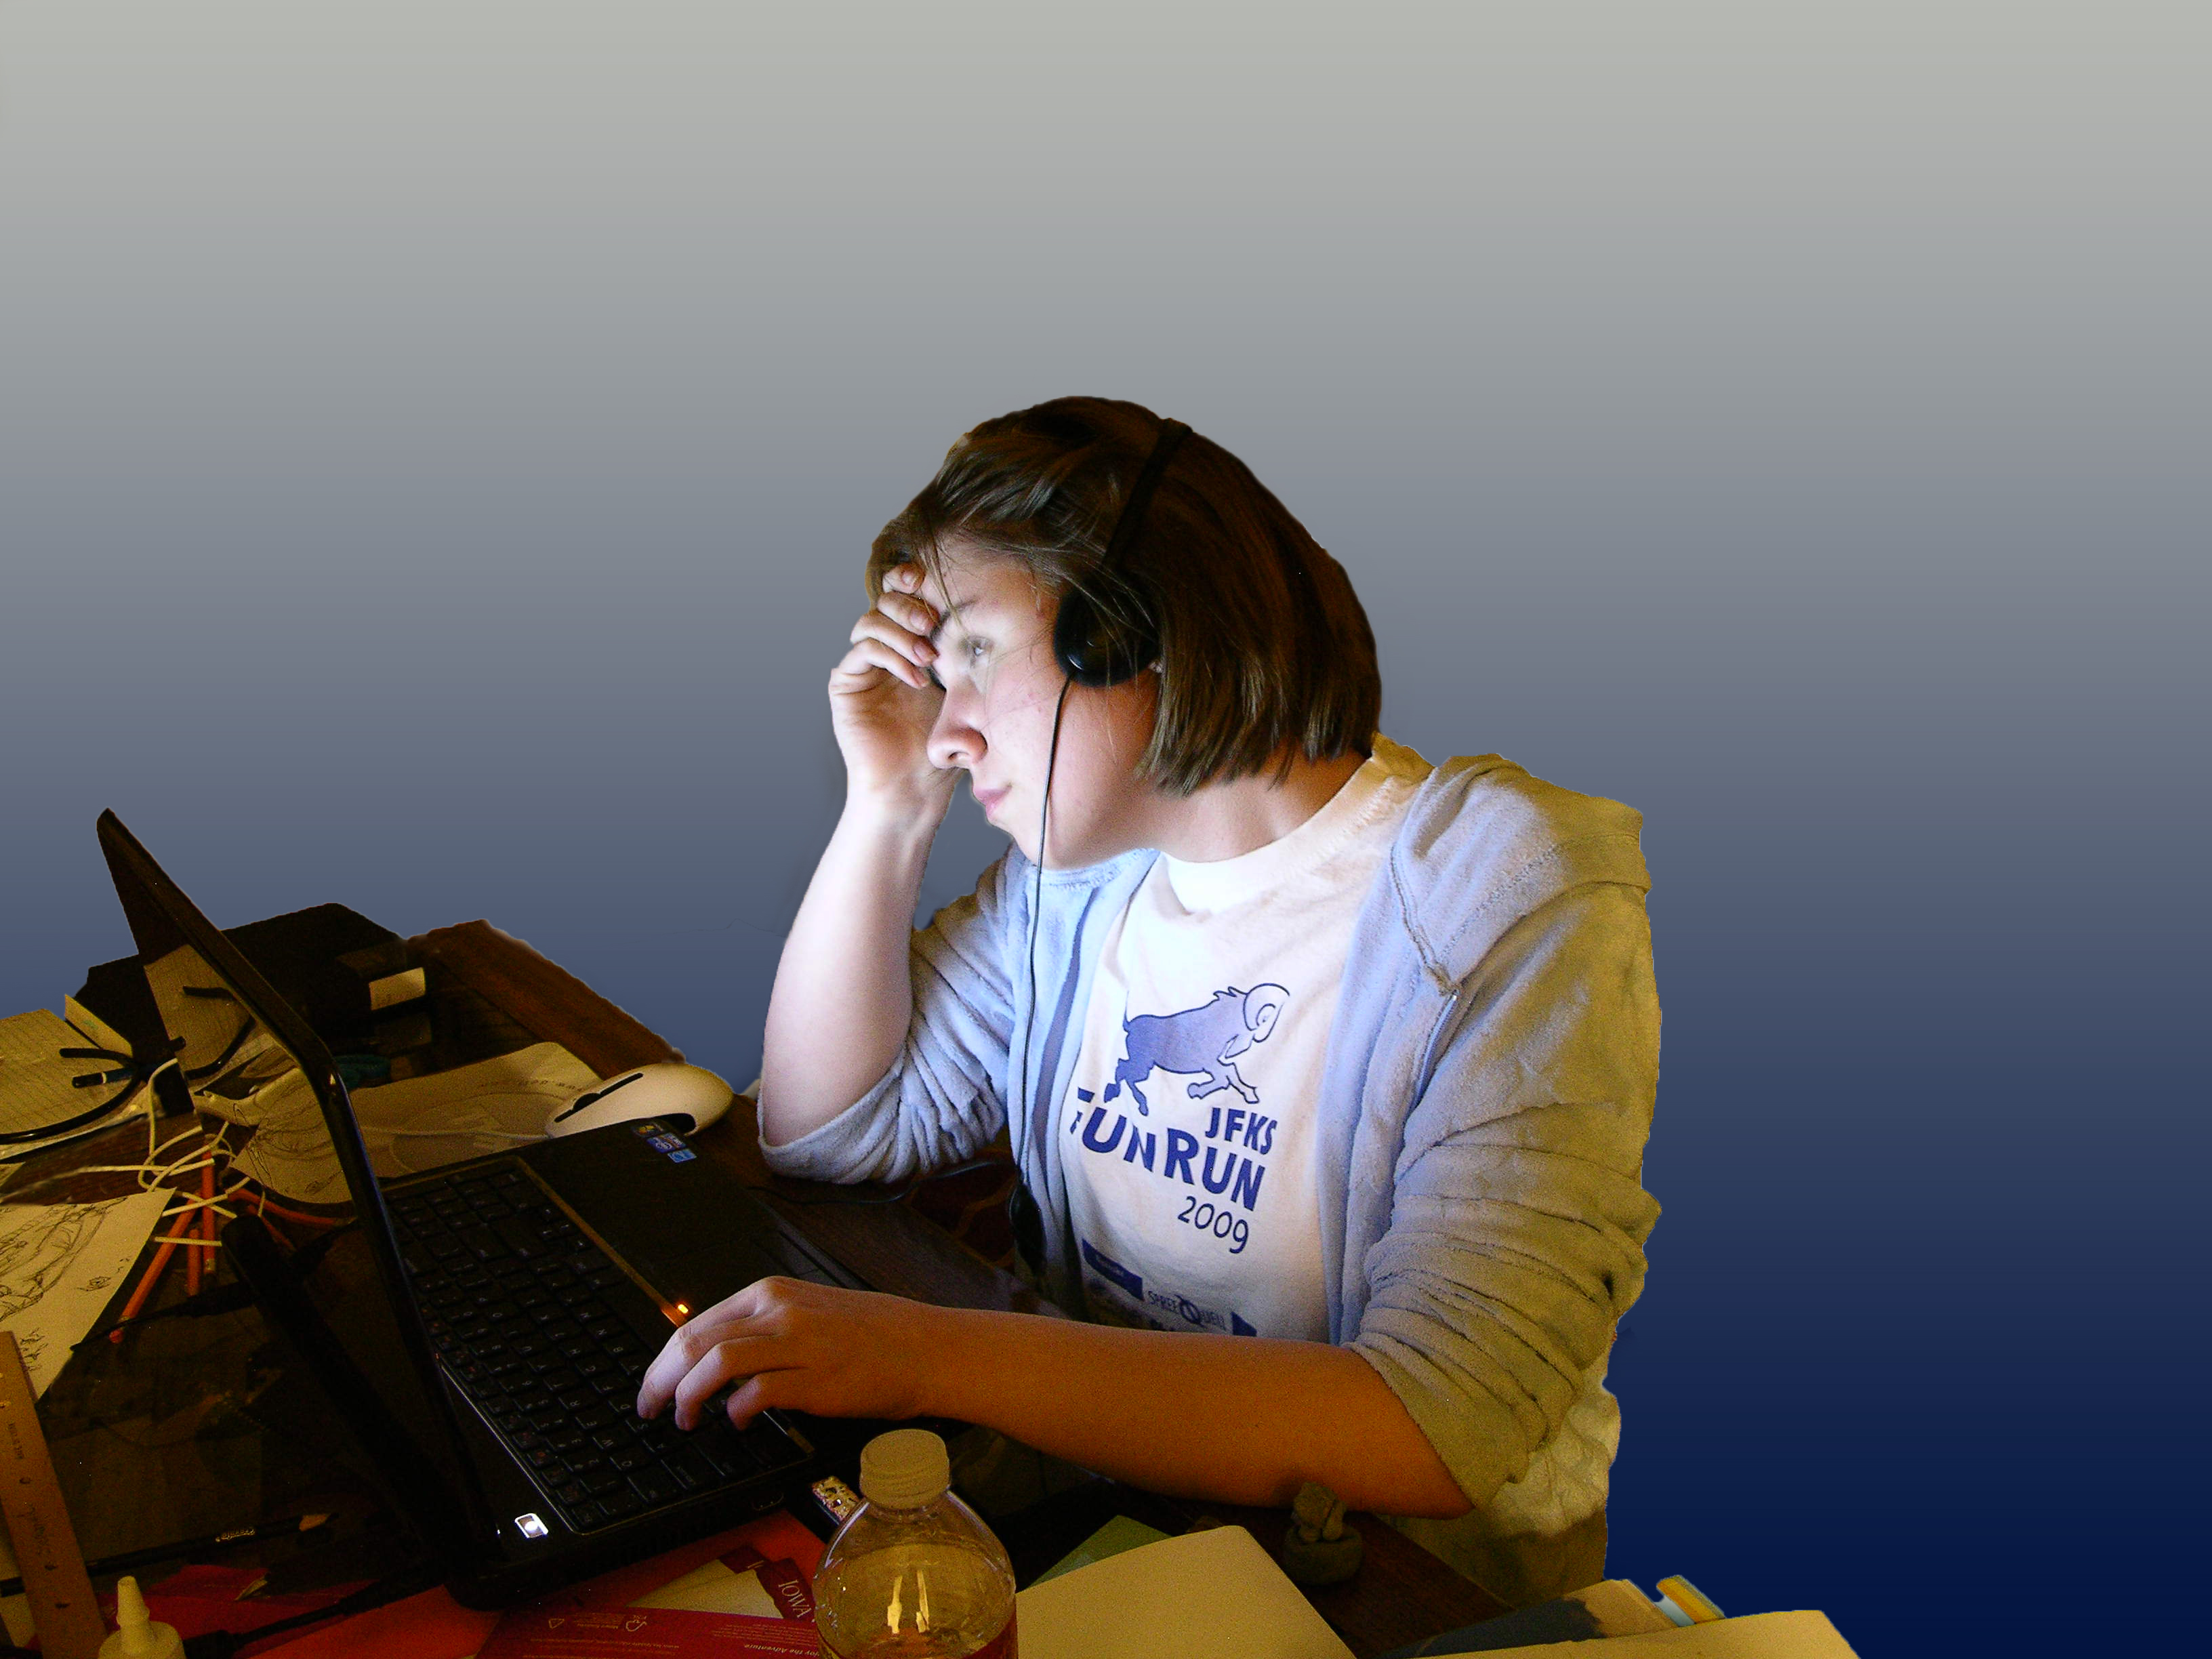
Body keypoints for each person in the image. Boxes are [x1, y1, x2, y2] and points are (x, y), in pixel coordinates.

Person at [636, 397, 1660, 1605]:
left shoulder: (1505, 892)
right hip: (1133, 1528)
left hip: (1389, 1594)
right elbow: (827, 1131)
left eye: (976, 654)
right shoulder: (1082, 883)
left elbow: (1433, 1420)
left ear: (1131, 631)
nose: (947, 728)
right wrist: (890, 801)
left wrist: (923, 1356)